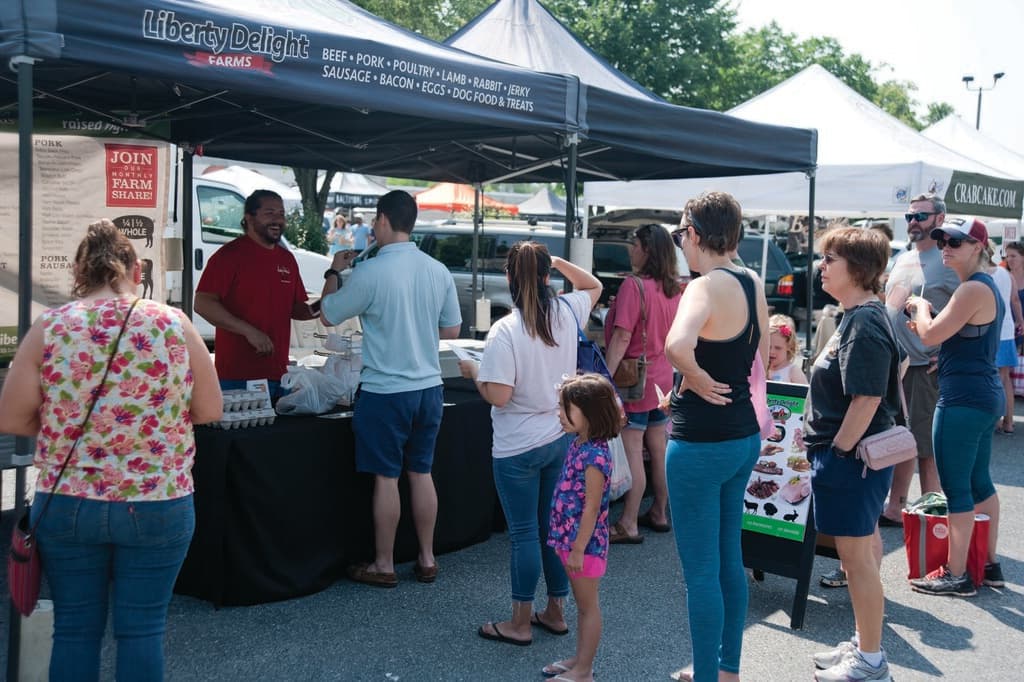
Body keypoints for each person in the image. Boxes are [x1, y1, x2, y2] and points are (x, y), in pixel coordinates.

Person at [0, 219, 222, 680]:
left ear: (80, 272)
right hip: (158, 497)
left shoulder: (50, 327)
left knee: (75, 630)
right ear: (136, 270)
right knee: (142, 632)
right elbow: (209, 409)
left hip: (68, 500)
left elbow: (11, 418)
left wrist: (64, 427)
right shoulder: (173, 324)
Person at [459, 243, 601, 646]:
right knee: (553, 531)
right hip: (560, 435)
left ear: (508, 277)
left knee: (524, 535)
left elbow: (499, 395)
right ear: (546, 277)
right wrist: (556, 261)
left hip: (517, 445)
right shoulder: (567, 311)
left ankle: (520, 623)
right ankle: (555, 610)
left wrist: (475, 373)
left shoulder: (505, 330)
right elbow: (593, 285)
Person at [319, 190, 461, 587]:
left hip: (385, 390)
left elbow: (327, 314)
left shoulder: (370, 271)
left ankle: (384, 563)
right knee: (421, 472)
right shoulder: (437, 270)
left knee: (386, 477)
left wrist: (333, 272)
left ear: (382, 220)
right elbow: (451, 329)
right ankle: (427, 558)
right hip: (429, 387)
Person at [664, 191, 769, 682]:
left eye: (679, 235)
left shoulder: (703, 287)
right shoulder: (751, 280)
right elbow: (760, 359)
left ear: (694, 233)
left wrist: (697, 378)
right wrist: (699, 378)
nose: (680, 244)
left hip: (701, 445)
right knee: (730, 561)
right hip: (742, 436)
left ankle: (708, 675)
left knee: (702, 573)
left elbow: (675, 346)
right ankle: (728, 671)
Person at [804, 226, 901, 682]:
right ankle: (864, 645)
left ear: (858, 268)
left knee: (857, 562)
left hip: (852, 461)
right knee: (854, 560)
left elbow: (867, 398)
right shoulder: (858, 315)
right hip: (851, 459)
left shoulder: (864, 321)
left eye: (830, 259)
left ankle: (871, 661)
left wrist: (839, 452)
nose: (821, 266)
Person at [904, 217, 1005, 596]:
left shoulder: (972, 289)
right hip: (980, 394)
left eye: (956, 241)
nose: (946, 246)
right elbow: (950, 337)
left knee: (958, 488)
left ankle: (958, 574)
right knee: (979, 482)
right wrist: (934, 332)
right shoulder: (982, 286)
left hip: (962, 399)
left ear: (978, 246)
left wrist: (920, 308)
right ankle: (988, 565)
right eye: (943, 240)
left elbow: (930, 334)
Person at [878, 194, 959, 528]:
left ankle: (932, 518)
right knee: (900, 440)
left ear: (939, 219)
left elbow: (968, 311)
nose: (913, 221)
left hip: (925, 366)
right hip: (895, 364)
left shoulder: (948, 260)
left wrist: (950, 351)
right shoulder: (903, 257)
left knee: (926, 447)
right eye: (909, 216)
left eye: (920, 216)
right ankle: (896, 507)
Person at [194, 189, 319, 398]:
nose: (277, 220)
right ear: (249, 218)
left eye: (281, 214)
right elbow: (202, 303)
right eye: (269, 213)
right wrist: (248, 331)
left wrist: (329, 303)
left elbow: (297, 309)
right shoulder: (229, 256)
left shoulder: (287, 259)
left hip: (279, 375)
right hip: (237, 377)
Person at [603, 223, 682, 542]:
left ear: (647, 250)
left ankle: (629, 522)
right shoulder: (674, 289)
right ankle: (660, 512)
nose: (631, 250)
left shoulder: (633, 286)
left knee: (634, 450)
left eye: (634, 245)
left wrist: (604, 379)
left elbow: (622, 337)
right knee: (658, 449)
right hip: (663, 378)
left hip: (635, 379)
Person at [540, 373, 620, 682]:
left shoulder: (595, 455)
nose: (559, 414)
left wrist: (576, 549)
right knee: (581, 605)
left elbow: (592, 507)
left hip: (584, 547)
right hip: (572, 542)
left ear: (589, 412)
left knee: (588, 607)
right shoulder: (580, 443)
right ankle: (579, 659)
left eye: (566, 408)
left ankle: (584, 670)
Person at [990, 256, 1023, 434]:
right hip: (1007, 330)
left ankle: (994, 420)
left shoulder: (981, 275)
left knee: (993, 378)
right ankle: (1008, 422)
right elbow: (1015, 299)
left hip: (992, 331)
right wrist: (1021, 320)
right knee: (1005, 379)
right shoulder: (1006, 274)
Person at [766, 313, 808, 384]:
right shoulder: (761, 369)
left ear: (789, 346)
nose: (772, 351)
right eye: (768, 347)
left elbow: (804, 390)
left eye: (778, 348)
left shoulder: (792, 371)